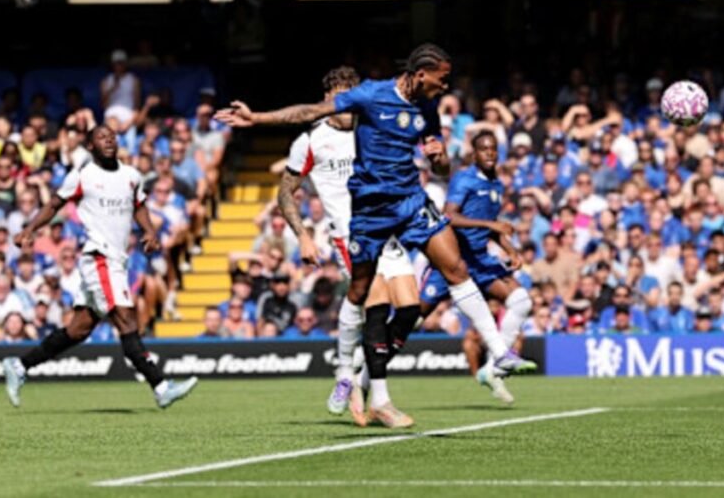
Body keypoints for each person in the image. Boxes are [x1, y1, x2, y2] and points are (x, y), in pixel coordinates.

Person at [217, 44, 535, 428]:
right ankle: (346, 374)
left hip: (410, 202)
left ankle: (499, 352)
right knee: (364, 296)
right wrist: (258, 118)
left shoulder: (426, 108)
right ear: (421, 74)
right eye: (442, 79)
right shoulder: (367, 99)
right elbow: (310, 112)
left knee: (447, 272)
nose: (446, 86)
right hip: (367, 213)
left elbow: (441, 168)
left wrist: (438, 159)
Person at [1, 126, 197, 410]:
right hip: (99, 257)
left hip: (117, 259)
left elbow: (139, 205)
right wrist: (30, 229)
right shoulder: (83, 176)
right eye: (102, 138)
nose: (109, 141)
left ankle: (19, 365)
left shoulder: (131, 175)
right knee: (126, 320)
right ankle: (161, 387)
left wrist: (149, 231)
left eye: (112, 137)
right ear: (90, 146)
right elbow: (54, 204)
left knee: (78, 330)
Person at [278, 66, 417, 426]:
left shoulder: (371, 128)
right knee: (376, 305)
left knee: (410, 309)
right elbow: (285, 192)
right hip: (350, 235)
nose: (342, 105)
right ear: (326, 100)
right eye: (335, 98)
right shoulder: (311, 140)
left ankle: (358, 375)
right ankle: (371, 393)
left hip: (387, 231)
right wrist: (303, 234)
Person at [419, 131, 533, 404]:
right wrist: (490, 225)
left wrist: (510, 250)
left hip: (479, 261)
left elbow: (490, 227)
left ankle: (493, 368)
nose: (490, 153)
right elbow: (449, 216)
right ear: (474, 153)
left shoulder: (496, 185)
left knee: (521, 300)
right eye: (484, 148)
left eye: (493, 148)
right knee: (411, 317)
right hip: (451, 260)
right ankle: (366, 363)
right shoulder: (464, 179)